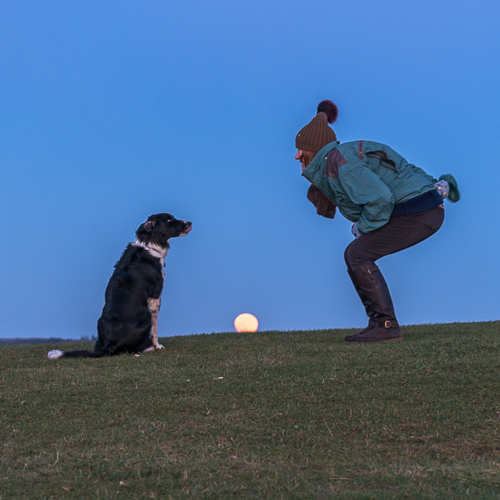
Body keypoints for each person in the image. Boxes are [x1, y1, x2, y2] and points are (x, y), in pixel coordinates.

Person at [295, 100, 459, 343]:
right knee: (357, 253)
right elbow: (403, 168)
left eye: (300, 149)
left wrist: (362, 228)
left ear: (313, 149)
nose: (297, 155)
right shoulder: (347, 154)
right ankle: (379, 324)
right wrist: (434, 186)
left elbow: (380, 199)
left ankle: (386, 326)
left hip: (417, 213)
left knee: (357, 254)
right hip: (427, 208)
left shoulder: (341, 164)